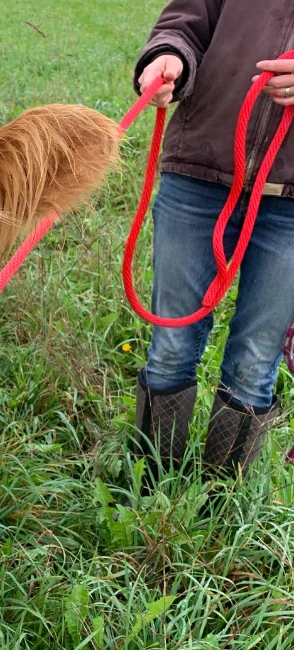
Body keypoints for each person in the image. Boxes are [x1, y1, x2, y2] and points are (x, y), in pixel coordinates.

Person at [131, 0, 294, 484]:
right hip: (198, 173)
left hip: (288, 203)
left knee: (255, 361)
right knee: (171, 345)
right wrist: (170, 57)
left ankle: (223, 501)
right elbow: (186, 21)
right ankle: (148, 486)